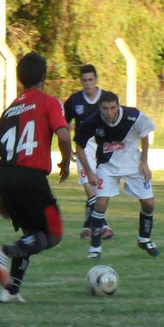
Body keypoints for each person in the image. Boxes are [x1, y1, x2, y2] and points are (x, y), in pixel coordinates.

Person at [0, 52, 73, 303]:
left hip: (5, 175)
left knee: (31, 234)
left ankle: (11, 290)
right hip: (30, 177)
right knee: (53, 233)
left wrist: (0, 197)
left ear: (20, 78)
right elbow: (64, 137)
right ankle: (2, 251)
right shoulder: (49, 102)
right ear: (44, 76)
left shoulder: (10, 110)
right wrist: (65, 164)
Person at [74, 91, 159, 259]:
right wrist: (90, 172)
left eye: (113, 108)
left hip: (133, 165)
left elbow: (144, 134)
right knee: (101, 203)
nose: (109, 112)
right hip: (107, 166)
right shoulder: (93, 121)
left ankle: (144, 239)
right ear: (100, 108)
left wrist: (144, 162)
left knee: (149, 204)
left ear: (118, 106)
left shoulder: (133, 116)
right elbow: (79, 147)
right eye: (105, 108)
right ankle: (95, 248)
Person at [64, 64, 115, 240]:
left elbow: (116, 122)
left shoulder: (106, 100)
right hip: (82, 149)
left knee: (101, 189)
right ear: (81, 81)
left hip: (102, 149)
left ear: (96, 80)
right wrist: (67, 148)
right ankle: (104, 227)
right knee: (90, 188)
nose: (88, 83)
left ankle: (88, 226)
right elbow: (63, 124)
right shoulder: (74, 101)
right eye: (84, 80)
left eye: (91, 80)